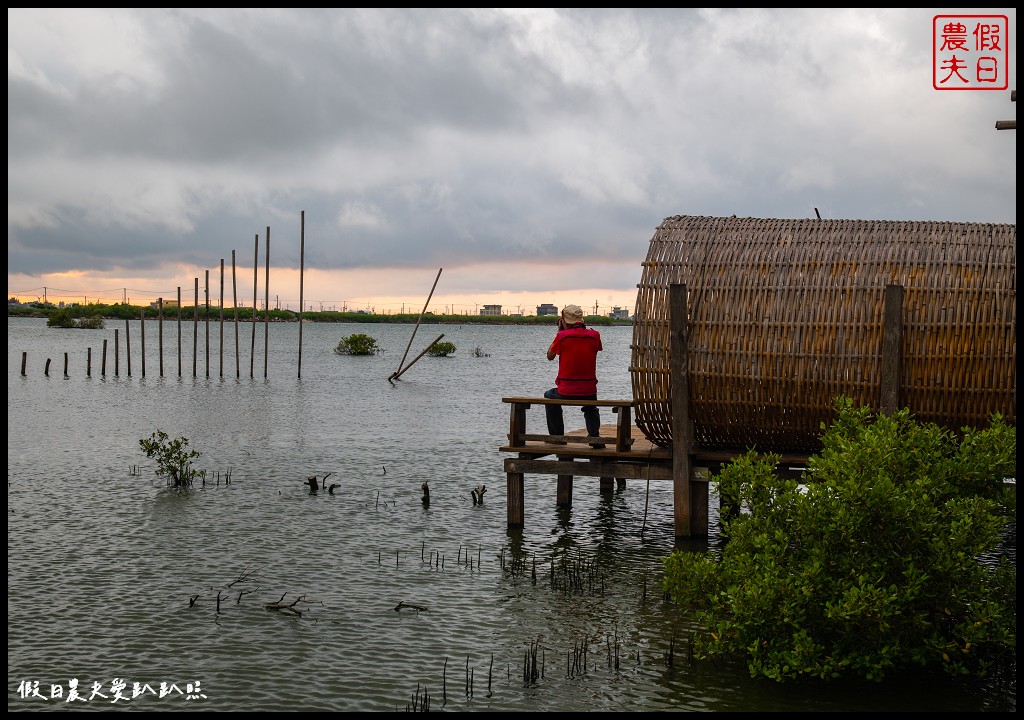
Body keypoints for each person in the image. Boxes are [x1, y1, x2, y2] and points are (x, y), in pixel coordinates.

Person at [544, 304, 604, 447]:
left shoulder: (562, 337)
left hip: (566, 390)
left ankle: (557, 437)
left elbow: (550, 356)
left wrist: (559, 332)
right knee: (591, 407)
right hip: (589, 390)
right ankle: (594, 437)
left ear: (564, 321)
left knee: (549, 396)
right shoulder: (595, 336)